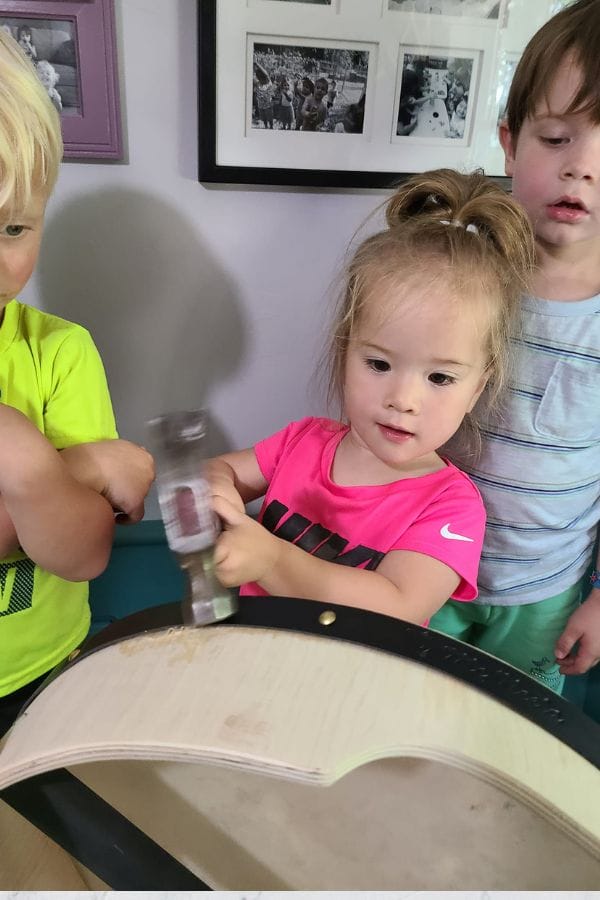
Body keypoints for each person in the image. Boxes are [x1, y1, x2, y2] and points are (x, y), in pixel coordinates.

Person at [206, 169, 534, 623]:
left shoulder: (451, 507)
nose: (402, 399)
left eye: (439, 378)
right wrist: (218, 498)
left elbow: (399, 605)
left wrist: (273, 561)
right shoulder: (302, 442)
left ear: (478, 386)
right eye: (379, 365)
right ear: (345, 353)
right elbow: (218, 471)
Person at [430, 0, 600, 691]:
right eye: (557, 139)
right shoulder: (461, 273)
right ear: (509, 141)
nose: (581, 167)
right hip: (425, 562)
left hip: (545, 590)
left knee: (515, 742)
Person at [0, 29, 154, 736]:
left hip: (41, 672)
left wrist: (37, 474)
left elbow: (84, 551)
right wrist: (65, 466)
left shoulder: (60, 352)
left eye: (11, 228)